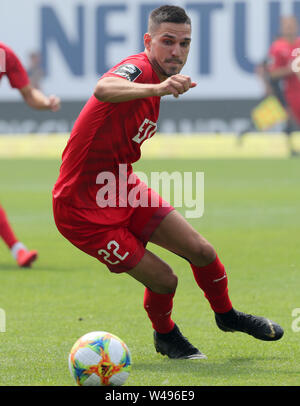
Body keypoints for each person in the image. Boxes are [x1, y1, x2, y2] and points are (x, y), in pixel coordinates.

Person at [52, 5, 283, 359]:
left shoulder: (156, 81)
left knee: (203, 252)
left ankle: (227, 316)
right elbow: (103, 88)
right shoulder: (140, 70)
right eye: (168, 41)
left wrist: (157, 89)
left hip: (119, 187)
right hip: (82, 209)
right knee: (165, 280)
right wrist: (157, 87)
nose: (177, 51)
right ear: (149, 41)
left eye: (184, 43)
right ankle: (167, 336)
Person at [0, 42, 61, 267]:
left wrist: (45, 102)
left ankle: (17, 249)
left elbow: (28, 93)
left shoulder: (3, 55)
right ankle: (17, 249)